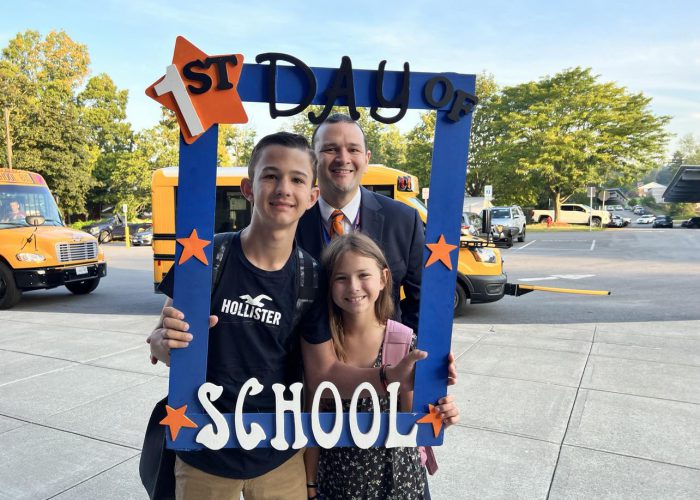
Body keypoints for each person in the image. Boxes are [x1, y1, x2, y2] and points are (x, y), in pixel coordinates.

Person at [147, 132, 442, 500]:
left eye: (297, 179)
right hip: (204, 452)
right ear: (248, 188)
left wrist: (392, 376)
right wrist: (164, 343)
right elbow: (162, 339)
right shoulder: (206, 259)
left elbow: (324, 374)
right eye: (270, 175)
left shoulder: (312, 278)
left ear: (311, 196)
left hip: (280, 456)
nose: (283, 188)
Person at [304, 233, 459, 499]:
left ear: (384, 278)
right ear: (328, 286)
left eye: (364, 275)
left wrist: (442, 413)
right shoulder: (322, 347)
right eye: (341, 278)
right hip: (336, 485)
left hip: (398, 484)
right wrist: (310, 484)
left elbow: (415, 417)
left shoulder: (404, 343)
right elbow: (312, 418)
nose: (353, 286)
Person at [296, 113, 424, 332]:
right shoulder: (291, 219)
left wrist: (416, 355)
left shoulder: (404, 221)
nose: (343, 158)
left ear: (366, 158)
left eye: (353, 149)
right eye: (330, 149)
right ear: (313, 160)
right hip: (303, 361)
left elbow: (423, 303)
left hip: (383, 362)